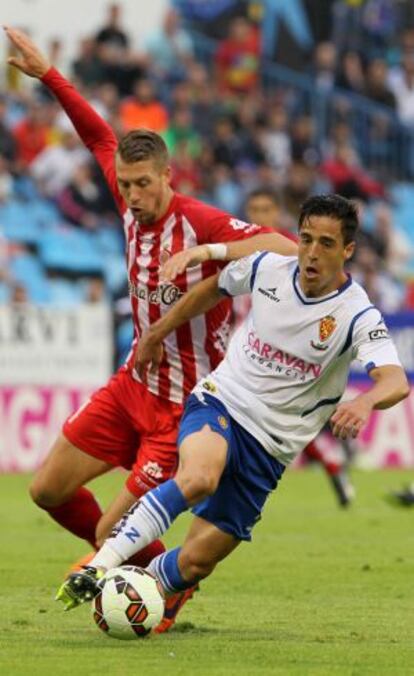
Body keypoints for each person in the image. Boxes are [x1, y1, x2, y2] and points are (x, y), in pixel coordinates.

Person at [4, 26, 297, 631]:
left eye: (144, 185)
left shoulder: (201, 220)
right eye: (126, 185)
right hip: (133, 383)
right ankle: (147, 569)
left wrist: (210, 256)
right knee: (47, 489)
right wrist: (48, 75)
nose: (132, 196)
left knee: (113, 527)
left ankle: (157, 586)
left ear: (167, 177)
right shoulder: (125, 196)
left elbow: (287, 247)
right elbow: (97, 135)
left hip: (183, 407)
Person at [56, 194, 409, 613]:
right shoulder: (267, 268)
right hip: (222, 402)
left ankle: (134, 591)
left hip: (270, 449)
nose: (311, 254)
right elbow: (213, 288)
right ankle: (100, 566)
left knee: (195, 562)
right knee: (199, 476)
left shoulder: (357, 314)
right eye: (306, 239)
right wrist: (157, 332)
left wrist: (366, 402)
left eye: (326, 244)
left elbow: (395, 380)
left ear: (347, 250)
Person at [243, 188, 355, 507]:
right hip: (247, 344)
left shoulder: (295, 250)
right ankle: (333, 462)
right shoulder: (249, 245)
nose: (259, 216)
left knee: (282, 417)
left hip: (288, 347)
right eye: (254, 209)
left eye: (266, 208)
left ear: (278, 212)